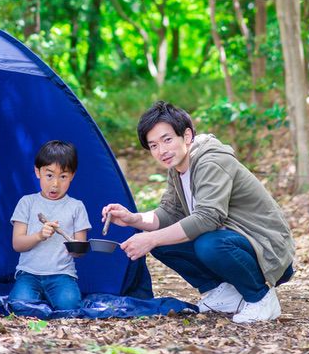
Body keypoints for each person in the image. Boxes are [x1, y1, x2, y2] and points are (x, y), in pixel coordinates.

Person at [102, 101, 295, 324]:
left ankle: (260, 298)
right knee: (162, 242)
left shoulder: (212, 161)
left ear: (186, 136)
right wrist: (133, 219)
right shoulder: (178, 168)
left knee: (208, 244)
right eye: (153, 145)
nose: (161, 151)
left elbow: (208, 218)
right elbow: (169, 212)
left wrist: (150, 238)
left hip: (268, 251)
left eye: (167, 140)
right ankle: (224, 292)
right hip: (234, 244)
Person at [8, 139, 91, 311]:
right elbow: (17, 244)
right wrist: (39, 236)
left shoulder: (76, 206)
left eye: (63, 176)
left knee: (70, 307)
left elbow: (79, 252)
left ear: (72, 176)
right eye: (49, 175)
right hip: (29, 274)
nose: (55, 184)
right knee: (18, 307)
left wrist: (77, 247)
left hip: (62, 275)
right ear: (37, 172)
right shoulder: (27, 203)